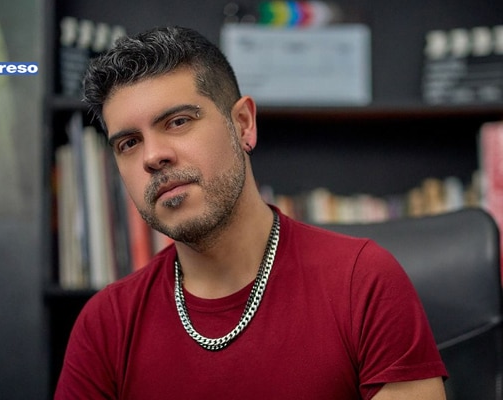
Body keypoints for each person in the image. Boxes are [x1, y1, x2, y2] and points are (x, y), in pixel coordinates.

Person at [54, 26, 448, 399]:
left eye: (178, 122)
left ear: (243, 124)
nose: (153, 156)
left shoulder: (364, 282)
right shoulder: (105, 325)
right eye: (129, 143)